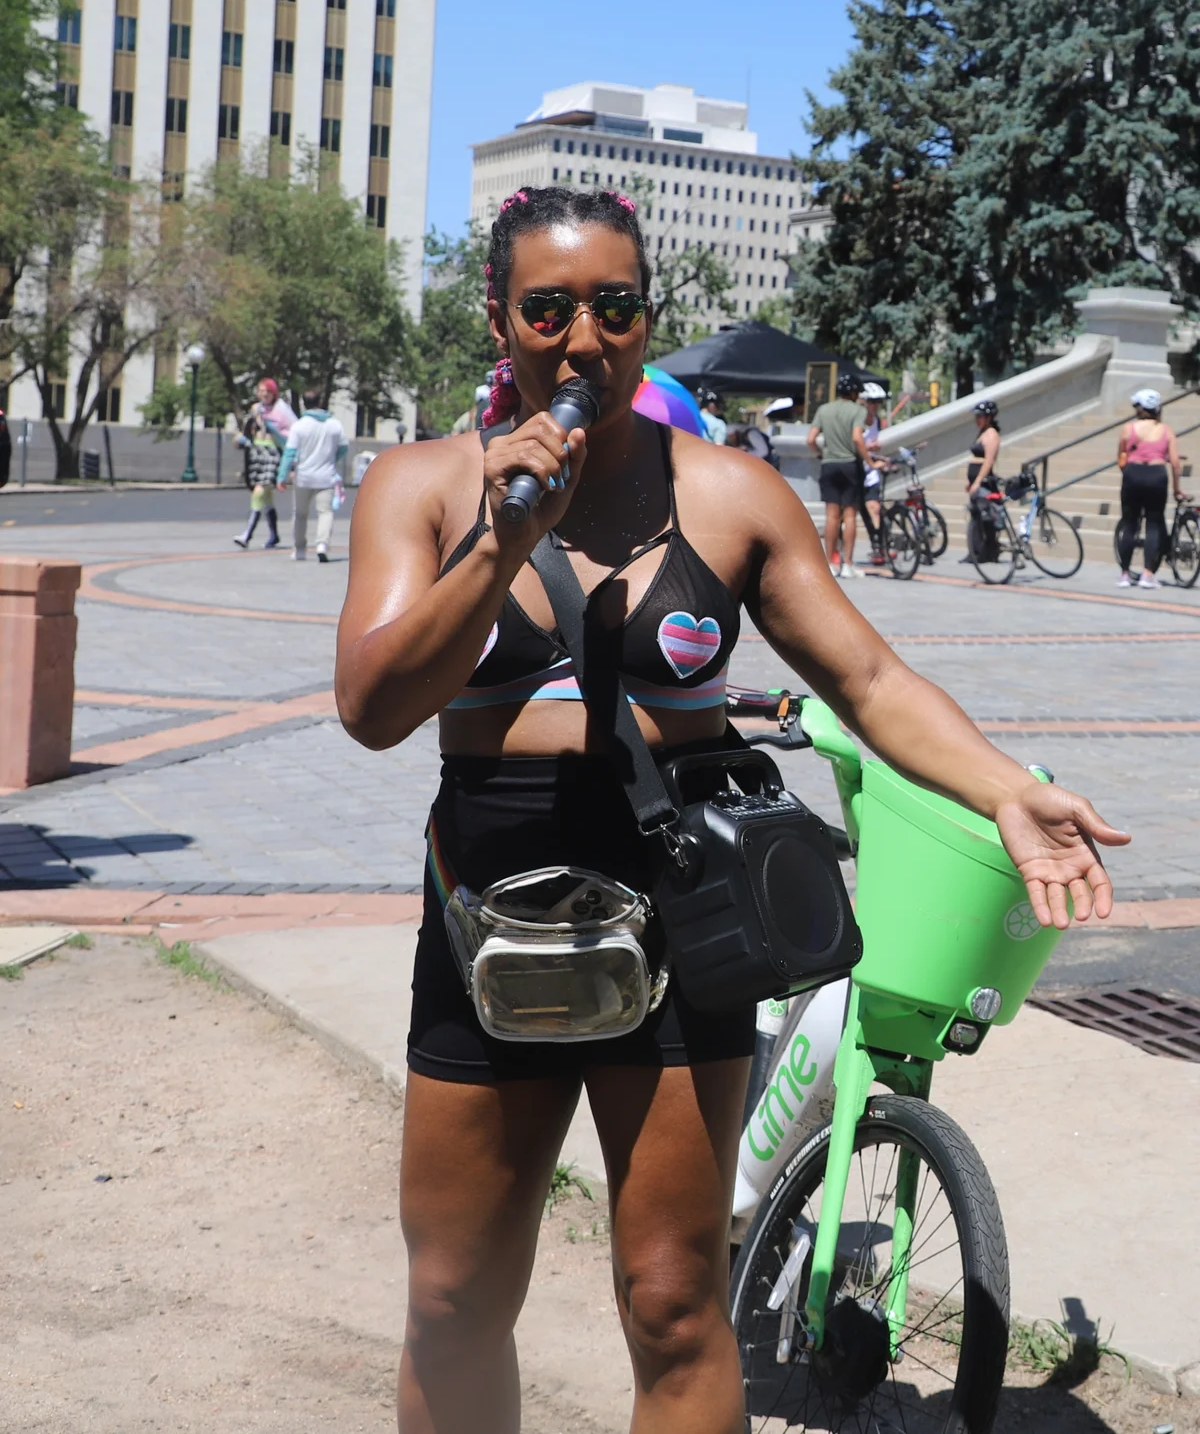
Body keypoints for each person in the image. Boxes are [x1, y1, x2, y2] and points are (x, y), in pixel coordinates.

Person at [333, 183, 1128, 1434]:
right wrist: (499, 541)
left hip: (680, 909)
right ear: (499, 320)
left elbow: (870, 680)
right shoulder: (422, 486)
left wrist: (1009, 793)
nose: (583, 339)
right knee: (454, 1295)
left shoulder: (730, 495)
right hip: (492, 903)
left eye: (615, 307)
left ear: (646, 319)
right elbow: (373, 705)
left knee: (672, 1298)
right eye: (548, 309)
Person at [1116, 388, 1185, 589]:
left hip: (1133, 475)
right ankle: (1147, 574)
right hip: (1156, 476)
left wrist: (1130, 474)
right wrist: (1177, 489)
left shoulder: (1127, 429)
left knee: (1129, 524)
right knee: (1154, 524)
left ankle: (1125, 574)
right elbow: (1175, 463)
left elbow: (1121, 457)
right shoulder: (1166, 430)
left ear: (1139, 408)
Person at [807, 371, 869, 577]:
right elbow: (857, 438)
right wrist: (870, 461)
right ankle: (848, 564)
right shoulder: (858, 410)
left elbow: (811, 439)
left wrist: (820, 454)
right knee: (850, 515)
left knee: (832, 516)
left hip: (829, 464)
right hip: (850, 464)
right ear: (854, 392)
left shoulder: (824, 409)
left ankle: (830, 564)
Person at [277, 390, 349, 562]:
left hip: (304, 476)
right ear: (321, 401)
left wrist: (282, 476)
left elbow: (289, 453)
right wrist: (332, 459)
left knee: (300, 514)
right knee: (325, 511)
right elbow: (344, 448)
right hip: (326, 476)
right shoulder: (334, 424)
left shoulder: (299, 426)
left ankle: (300, 549)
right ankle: (322, 544)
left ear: (304, 403)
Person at [232, 410, 284, 549]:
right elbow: (239, 442)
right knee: (267, 500)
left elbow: (283, 440)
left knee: (258, 493)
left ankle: (247, 535)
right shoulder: (252, 425)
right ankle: (274, 535)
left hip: (271, 460)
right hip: (258, 462)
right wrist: (241, 438)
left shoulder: (276, 423)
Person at [966, 399, 1003, 563]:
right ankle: (976, 551)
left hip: (985, 482)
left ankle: (987, 550)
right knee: (976, 516)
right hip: (976, 480)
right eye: (977, 416)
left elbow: (989, 461)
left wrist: (978, 481)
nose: (977, 420)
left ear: (989, 417)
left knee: (985, 516)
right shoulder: (982, 433)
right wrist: (970, 481)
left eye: (980, 416)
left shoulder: (992, 435)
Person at [859, 382, 889, 564]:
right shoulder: (858, 421)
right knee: (861, 511)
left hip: (871, 471)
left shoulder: (877, 421)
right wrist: (868, 448)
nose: (875, 405)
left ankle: (880, 546)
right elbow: (854, 443)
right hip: (857, 469)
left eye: (878, 402)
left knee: (874, 508)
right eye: (872, 401)